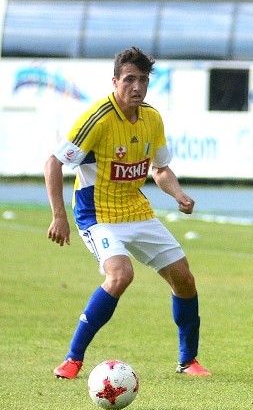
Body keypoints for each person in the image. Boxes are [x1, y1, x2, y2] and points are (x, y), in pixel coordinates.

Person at [45, 47, 211, 380]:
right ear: (115, 81)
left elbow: (161, 169)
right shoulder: (98, 118)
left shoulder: (151, 118)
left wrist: (178, 194)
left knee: (184, 279)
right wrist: (59, 216)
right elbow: (54, 162)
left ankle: (187, 360)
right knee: (120, 275)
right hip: (98, 214)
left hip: (136, 210)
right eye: (130, 79)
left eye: (143, 80)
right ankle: (73, 359)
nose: (137, 87)